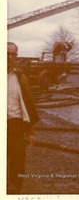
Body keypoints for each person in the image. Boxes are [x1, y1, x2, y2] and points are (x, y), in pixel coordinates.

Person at [7, 42, 40, 194]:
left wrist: (31, 132)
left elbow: (27, 105)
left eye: (12, 54)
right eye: (6, 53)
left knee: (17, 161)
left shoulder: (20, 77)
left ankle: (14, 192)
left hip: (16, 125)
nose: (9, 57)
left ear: (16, 57)